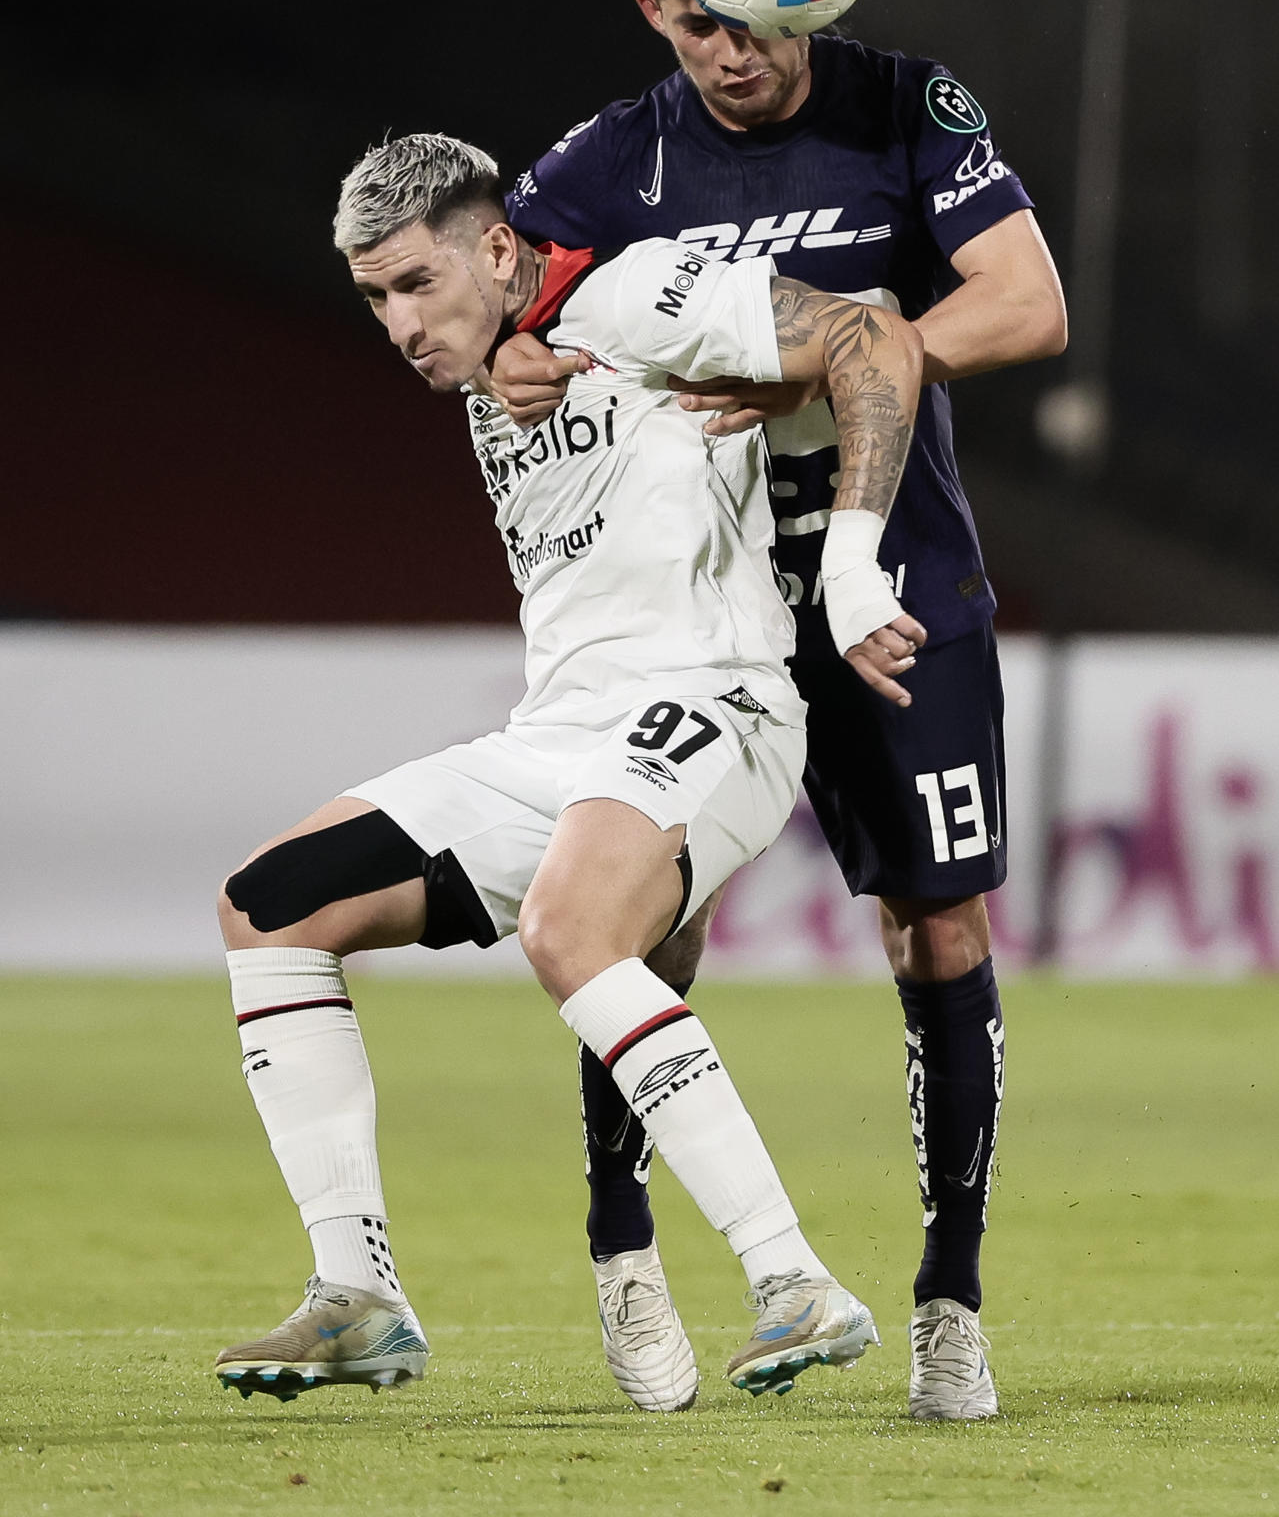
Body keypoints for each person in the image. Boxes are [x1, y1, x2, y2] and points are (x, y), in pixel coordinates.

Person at [491, 0, 1068, 1422]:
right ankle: (624, 1256)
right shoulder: (611, 164)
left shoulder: (902, 103)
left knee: (936, 933)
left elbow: (1023, 305)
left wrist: (838, 367)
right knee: (637, 930)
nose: (734, 53)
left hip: (894, 596)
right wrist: (514, 364)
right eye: (698, 26)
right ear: (655, 14)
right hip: (699, 624)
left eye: (754, 21)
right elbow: (487, 315)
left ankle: (948, 1297)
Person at [213, 130, 925, 1410]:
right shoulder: (505, 353)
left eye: (416, 284)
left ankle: (791, 1276)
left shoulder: (642, 292)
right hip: (556, 737)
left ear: (496, 246)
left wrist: (856, 558)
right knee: (266, 905)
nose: (397, 325)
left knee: (571, 927)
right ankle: (357, 1293)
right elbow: (523, 331)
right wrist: (497, 342)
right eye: (374, 297)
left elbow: (875, 339)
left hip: (716, 703)